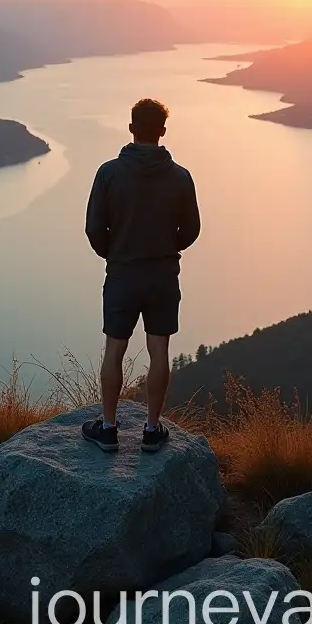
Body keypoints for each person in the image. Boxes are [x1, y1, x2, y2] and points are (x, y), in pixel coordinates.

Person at [81, 98, 201, 452]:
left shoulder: (109, 173)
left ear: (131, 128)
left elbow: (93, 230)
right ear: (162, 130)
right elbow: (191, 230)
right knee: (159, 350)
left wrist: (115, 253)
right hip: (163, 275)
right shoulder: (180, 177)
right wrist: (166, 247)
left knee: (114, 351)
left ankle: (108, 428)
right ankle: (151, 430)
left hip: (122, 274)